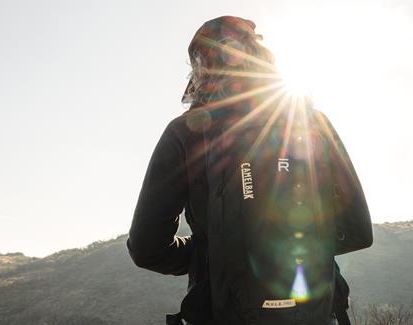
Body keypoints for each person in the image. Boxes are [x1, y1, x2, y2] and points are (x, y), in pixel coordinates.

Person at [127, 16, 372, 325]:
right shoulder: (311, 121)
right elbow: (359, 231)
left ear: (199, 70)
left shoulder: (186, 132)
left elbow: (146, 248)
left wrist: (217, 250)